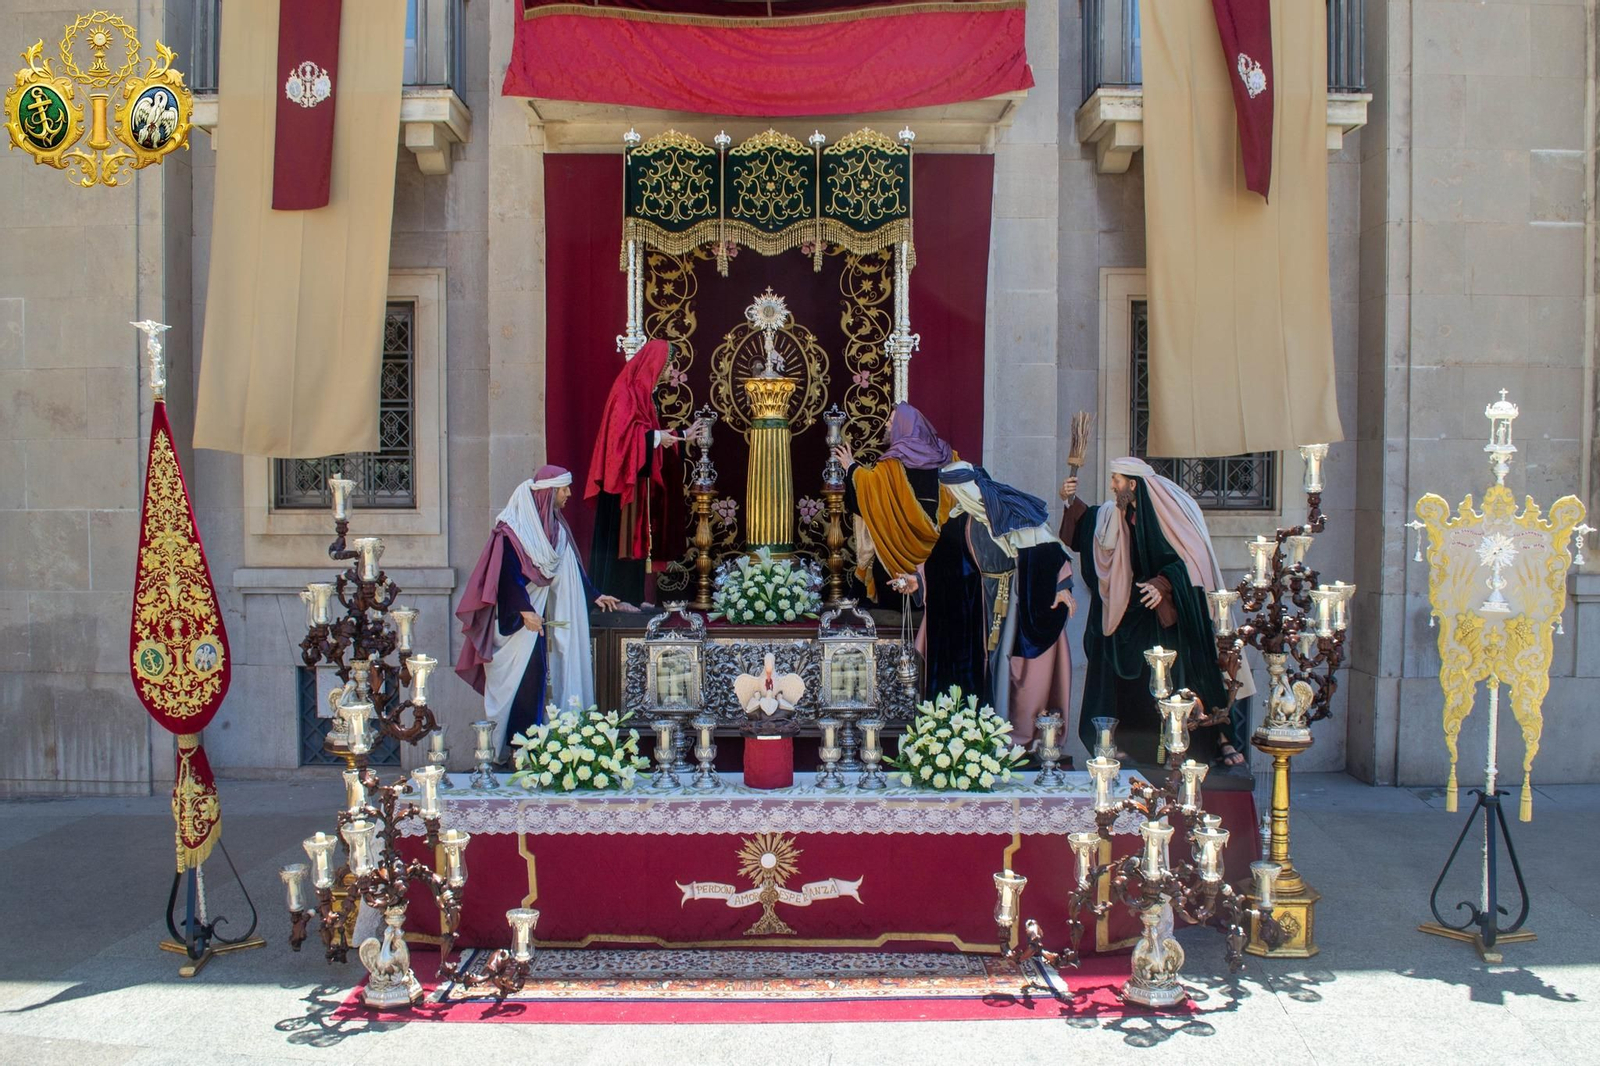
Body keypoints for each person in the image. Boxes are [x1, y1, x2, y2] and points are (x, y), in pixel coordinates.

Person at [834, 403, 1075, 745]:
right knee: (990, 673)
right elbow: (940, 562)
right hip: (971, 613)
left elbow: (1047, 546)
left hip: (1003, 608)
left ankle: (1004, 737)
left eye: (949, 489)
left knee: (1005, 672)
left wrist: (1062, 585)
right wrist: (916, 582)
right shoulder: (956, 520)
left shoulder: (999, 517)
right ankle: (981, 737)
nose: (945, 495)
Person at [1058, 458, 1254, 768]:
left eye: (1116, 480)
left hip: (1172, 611)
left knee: (1189, 666)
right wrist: (1070, 502)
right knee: (1112, 654)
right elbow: (1091, 528)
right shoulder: (1120, 512)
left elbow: (1191, 560)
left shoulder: (1169, 513)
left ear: (1132, 484)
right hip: (1134, 609)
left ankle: (1218, 739)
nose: (1112, 486)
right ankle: (1126, 743)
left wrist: (1162, 584)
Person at [455, 466, 629, 754]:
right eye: (564, 489)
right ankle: (515, 749)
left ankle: (539, 746)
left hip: (538, 618)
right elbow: (506, 575)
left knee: (536, 679)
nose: (569, 494)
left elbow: (569, 569)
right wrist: (524, 611)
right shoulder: (512, 530)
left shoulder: (557, 529)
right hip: (518, 622)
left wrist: (594, 595)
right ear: (548, 494)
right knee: (523, 682)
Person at [583, 338, 707, 604]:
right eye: (666, 365)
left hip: (636, 485)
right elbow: (621, 439)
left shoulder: (644, 397)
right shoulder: (625, 393)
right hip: (620, 487)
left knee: (637, 542)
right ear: (654, 363)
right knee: (621, 542)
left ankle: (633, 597)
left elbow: (648, 436)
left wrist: (683, 435)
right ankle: (616, 598)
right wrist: (655, 438)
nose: (668, 371)